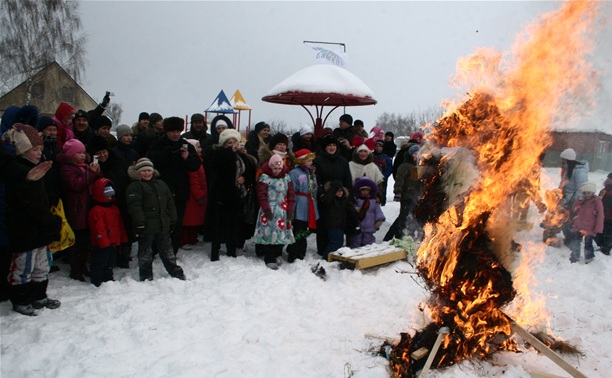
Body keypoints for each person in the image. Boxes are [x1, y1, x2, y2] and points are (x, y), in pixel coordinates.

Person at [3, 124, 62, 315]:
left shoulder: (37, 168)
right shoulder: (18, 169)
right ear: (23, 150)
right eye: (35, 150)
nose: (39, 153)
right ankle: (21, 300)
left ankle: (39, 296)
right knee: (23, 267)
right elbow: (30, 203)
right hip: (25, 230)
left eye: (40, 149)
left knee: (41, 265)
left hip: (40, 230)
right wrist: (50, 221)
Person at [147, 117, 201, 255]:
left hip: (180, 190)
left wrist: (187, 157)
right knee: (160, 221)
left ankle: (173, 250)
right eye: (172, 131)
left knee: (176, 222)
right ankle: (155, 249)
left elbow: (195, 166)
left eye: (178, 131)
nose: (175, 134)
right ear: (166, 131)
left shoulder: (186, 144)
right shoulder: (159, 143)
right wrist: (170, 152)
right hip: (162, 189)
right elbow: (152, 160)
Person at [126, 158, 186, 281]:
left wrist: (173, 218)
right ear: (138, 172)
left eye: (149, 170)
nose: (147, 173)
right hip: (146, 226)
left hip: (163, 225)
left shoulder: (161, 184)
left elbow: (170, 202)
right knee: (145, 253)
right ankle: (146, 275)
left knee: (167, 252)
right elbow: (135, 206)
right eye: (143, 171)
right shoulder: (135, 186)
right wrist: (140, 222)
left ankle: (175, 271)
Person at [57, 138, 102, 281]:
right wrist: (91, 173)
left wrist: (97, 173)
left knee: (85, 241)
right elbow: (76, 184)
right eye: (79, 153)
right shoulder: (66, 168)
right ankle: (75, 269)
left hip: (88, 206)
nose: (82, 155)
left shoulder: (86, 166)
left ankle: (83, 266)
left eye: (83, 152)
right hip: (75, 208)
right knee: (76, 241)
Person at [93, 133, 136, 268]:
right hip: (105, 205)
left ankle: (124, 255)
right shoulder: (94, 168)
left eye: (104, 151)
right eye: (98, 153)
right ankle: (112, 257)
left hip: (122, 200)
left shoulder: (117, 161)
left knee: (124, 229)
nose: (103, 155)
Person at [207, 129, 246, 261]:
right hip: (221, 194)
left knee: (233, 224)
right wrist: (230, 151)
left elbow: (247, 170)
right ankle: (215, 251)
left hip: (235, 194)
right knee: (218, 225)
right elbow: (224, 170)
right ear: (224, 144)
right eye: (229, 142)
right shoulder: (219, 154)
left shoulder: (238, 156)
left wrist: (244, 178)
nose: (233, 145)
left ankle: (231, 249)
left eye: (235, 142)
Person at [253, 154, 295, 269]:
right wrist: (266, 209)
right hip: (269, 210)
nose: (276, 171)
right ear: (270, 167)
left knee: (281, 234)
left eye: (279, 168)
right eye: (274, 168)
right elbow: (261, 195)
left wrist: (290, 209)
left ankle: (277, 254)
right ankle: (269, 257)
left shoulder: (286, 177)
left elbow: (291, 194)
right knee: (270, 234)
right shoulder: (265, 178)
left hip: (282, 210)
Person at [313, 136, 352, 255]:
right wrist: (321, 193)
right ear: (325, 147)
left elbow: (348, 180)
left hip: (339, 199)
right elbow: (315, 180)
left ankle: (334, 250)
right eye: (329, 145)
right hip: (324, 198)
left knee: (336, 224)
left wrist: (344, 192)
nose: (331, 147)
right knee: (323, 224)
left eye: (334, 145)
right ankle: (322, 250)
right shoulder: (318, 160)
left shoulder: (343, 161)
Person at [88, 178, 127, 286]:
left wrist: (122, 238)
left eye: (111, 196)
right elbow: (98, 228)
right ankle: (97, 280)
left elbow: (120, 225)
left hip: (113, 242)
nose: (109, 198)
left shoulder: (114, 208)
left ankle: (108, 278)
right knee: (100, 262)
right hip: (102, 243)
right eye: (107, 196)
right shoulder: (97, 210)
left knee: (110, 262)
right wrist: (103, 242)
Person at [384, 144, 424, 242]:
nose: (417, 155)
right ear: (410, 154)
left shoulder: (418, 167)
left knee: (412, 218)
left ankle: (407, 236)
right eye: (415, 153)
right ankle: (394, 236)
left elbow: (419, 183)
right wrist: (398, 192)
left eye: (418, 153)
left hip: (415, 197)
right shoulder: (405, 166)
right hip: (407, 196)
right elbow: (399, 180)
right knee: (403, 217)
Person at [286, 149, 319, 262]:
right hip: (300, 203)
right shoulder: (294, 173)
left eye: (311, 160)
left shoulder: (311, 173)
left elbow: (314, 189)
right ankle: (294, 251)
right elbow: (291, 189)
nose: (311, 162)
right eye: (308, 160)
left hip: (309, 203)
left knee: (305, 228)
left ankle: (300, 250)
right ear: (301, 161)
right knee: (299, 228)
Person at [180, 139, 207, 250]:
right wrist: (199, 195)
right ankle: (184, 240)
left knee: (194, 220)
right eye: (198, 146)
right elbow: (193, 181)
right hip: (192, 197)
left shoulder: (198, 160)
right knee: (188, 220)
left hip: (197, 195)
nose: (200, 149)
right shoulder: (192, 163)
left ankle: (192, 238)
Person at [558, 148, 589, 244]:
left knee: (571, 221)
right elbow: (565, 183)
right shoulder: (568, 169)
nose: (562, 162)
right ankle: (569, 238)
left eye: (564, 160)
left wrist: (574, 202)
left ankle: (574, 241)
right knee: (564, 220)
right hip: (566, 199)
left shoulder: (580, 171)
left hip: (574, 201)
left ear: (568, 160)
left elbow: (581, 188)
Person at [567, 182, 603, 264]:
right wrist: (578, 201)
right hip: (578, 225)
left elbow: (600, 215)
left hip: (589, 227)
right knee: (576, 241)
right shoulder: (581, 200)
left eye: (589, 193)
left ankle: (589, 257)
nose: (586, 195)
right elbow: (574, 209)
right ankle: (575, 256)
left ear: (593, 193)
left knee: (588, 243)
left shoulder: (596, 201)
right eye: (585, 193)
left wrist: (598, 228)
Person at [347, 177, 385, 248]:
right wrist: (355, 209)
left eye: (367, 190)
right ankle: (354, 253)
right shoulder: (357, 201)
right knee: (355, 240)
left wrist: (379, 220)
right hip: (358, 225)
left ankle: (368, 254)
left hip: (369, 226)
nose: (365, 192)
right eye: (363, 190)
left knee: (368, 242)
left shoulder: (374, 202)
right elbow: (351, 209)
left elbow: (378, 211)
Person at [320, 180, 350, 260]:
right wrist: (333, 189)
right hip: (333, 224)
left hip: (341, 224)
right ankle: (326, 257)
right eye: (337, 191)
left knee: (339, 242)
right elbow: (326, 199)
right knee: (335, 242)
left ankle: (332, 257)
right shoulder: (331, 200)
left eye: (341, 190)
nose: (339, 192)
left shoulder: (344, 200)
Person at [372, 140, 393, 206]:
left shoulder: (386, 158)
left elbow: (389, 169)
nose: (378, 148)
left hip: (382, 178)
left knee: (382, 191)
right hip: (372, 177)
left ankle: (382, 202)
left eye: (380, 146)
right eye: (376, 146)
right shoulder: (371, 156)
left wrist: (384, 176)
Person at [597, 172, 612, 256]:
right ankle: (602, 246)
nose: (608, 180)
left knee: (609, 234)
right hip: (602, 216)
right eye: (608, 178)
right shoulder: (604, 190)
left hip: (610, 217)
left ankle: (606, 249)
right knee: (600, 233)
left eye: (610, 179)